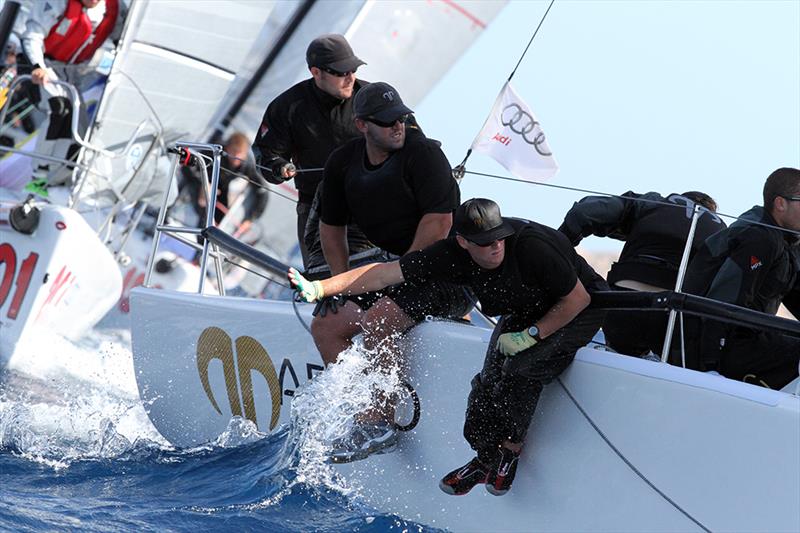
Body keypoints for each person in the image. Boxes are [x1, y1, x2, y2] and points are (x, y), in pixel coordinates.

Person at [289, 198, 608, 494]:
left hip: (579, 308)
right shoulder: (451, 255)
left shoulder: (533, 246)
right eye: (485, 243)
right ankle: (484, 459)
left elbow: (578, 298)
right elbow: (384, 275)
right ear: (464, 242)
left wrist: (531, 336)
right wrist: (320, 288)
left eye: (499, 238)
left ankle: (508, 455)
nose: (496, 247)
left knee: (521, 370)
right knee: (487, 381)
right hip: (528, 308)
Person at [308, 81, 470, 459]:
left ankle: (380, 422)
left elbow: (439, 225)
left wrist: (400, 275)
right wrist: (339, 283)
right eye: (386, 122)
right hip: (398, 272)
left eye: (401, 118)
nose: (397, 126)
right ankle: (361, 409)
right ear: (363, 125)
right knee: (328, 324)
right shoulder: (343, 163)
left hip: (450, 273)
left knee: (380, 318)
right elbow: (331, 227)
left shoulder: (424, 155)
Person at [251, 33, 372, 267]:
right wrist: (279, 167)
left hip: (371, 206)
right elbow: (265, 154)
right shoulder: (288, 106)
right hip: (318, 212)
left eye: (352, 70)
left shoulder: (371, 98)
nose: (350, 77)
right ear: (316, 72)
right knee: (324, 284)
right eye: (341, 72)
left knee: (379, 281)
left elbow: (406, 136)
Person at [559, 190, 726, 356]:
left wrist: (559, 246)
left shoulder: (653, 203)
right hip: (672, 317)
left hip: (622, 303)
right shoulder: (722, 233)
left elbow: (585, 212)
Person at [681, 167, 800, 389]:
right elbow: (724, 299)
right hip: (723, 347)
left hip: (749, 339)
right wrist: (710, 366)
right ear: (780, 204)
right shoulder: (759, 238)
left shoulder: (787, 245)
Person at [17, 0, 122, 183]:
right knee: (59, 107)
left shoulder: (115, 8)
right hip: (38, 65)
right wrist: (37, 66)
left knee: (79, 130)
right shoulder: (59, 3)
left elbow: (124, 40)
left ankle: (59, 180)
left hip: (70, 73)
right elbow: (32, 36)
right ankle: (38, 177)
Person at [179, 132, 268, 238]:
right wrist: (203, 183)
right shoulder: (214, 151)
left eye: (240, 154)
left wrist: (250, 219)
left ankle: (206, 245)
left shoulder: (247, 164)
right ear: (227, 148)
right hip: (199, 183)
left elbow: (263, 191)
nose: (237, 157)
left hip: (220, 190)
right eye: (234, 152)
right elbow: (186, 166)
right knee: (206, 213)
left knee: (219, 219)